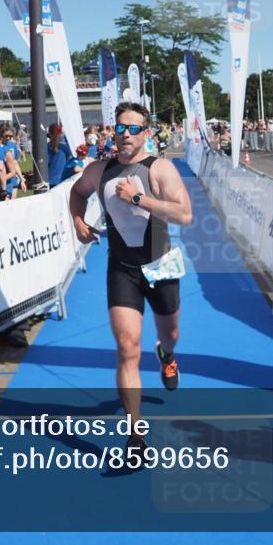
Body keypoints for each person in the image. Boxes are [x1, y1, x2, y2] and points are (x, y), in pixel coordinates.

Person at [68, 102, 193, 459]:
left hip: (161, 263)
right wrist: (78, 221)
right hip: (121, 267)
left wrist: (139, 198)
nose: (125, 134)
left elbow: (185, 214)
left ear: (146, 133)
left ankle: (166, 354)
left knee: (171, 333)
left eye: (133, 129)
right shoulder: (98, 170)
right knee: (127, 348)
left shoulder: (160, 168)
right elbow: (77, 193)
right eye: (120, 127)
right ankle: (136, 435)